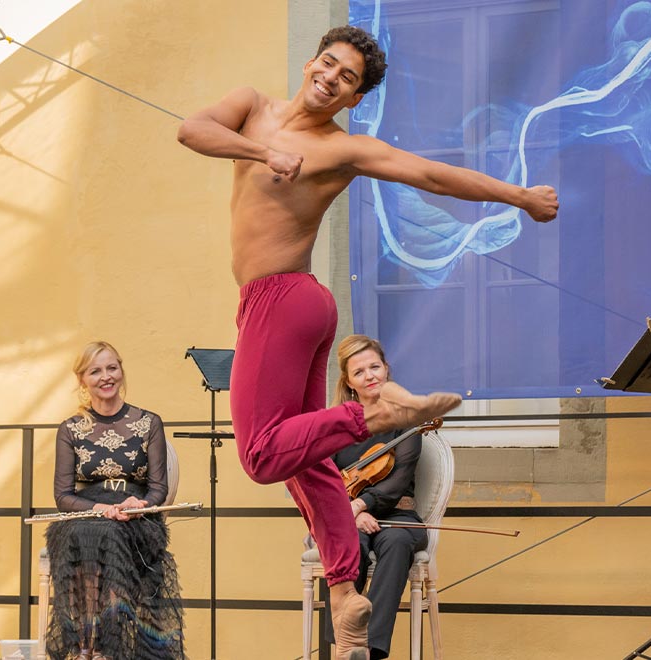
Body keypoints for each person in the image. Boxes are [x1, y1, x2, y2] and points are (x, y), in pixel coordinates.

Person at [177, 24, 558, 659]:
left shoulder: (342, 149)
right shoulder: (251, 106)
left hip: (285, 299)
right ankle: (344, 588)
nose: (330, 78)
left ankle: (374, 412)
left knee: (262, 455)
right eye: (328, 64)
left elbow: (429, 176)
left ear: (354, 97)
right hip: (280, 304)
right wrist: (264, 153)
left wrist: (516, 196)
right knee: (305, 456)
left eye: (346, 78)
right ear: (310, 62)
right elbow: (192, 130)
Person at [44, 341, 183, 659]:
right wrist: (102, 509)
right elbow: (63, 496)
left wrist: (139, 506)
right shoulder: (70, 430)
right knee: (92, 532)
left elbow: (158, 488)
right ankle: (88, 644)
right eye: (95, 371)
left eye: (111, 368)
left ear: (121, 370)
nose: (105, 376)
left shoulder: (149, 423)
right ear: (82, 380)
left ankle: (109, 643)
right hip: (90, 511)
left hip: (136, 515)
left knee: (108, 534)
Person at [324, 335, 430, 659]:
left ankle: (370, 650)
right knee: (347, 543)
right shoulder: (336, 423)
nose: (370, 375)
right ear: (349, 382)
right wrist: (353, 514)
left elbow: (399, 480)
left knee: (397, 543)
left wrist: (362, 503)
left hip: (398, 515)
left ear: (386, 369)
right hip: (350, 516)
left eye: (375, 367)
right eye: (360, 372)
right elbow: (326, 481)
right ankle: (343, 644)